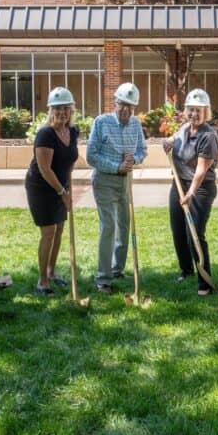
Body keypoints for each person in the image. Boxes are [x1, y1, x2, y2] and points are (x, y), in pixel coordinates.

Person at [86, 82, 148, 295]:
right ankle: (103, 279)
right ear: (115, 103)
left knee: (124, 225)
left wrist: (135, 159)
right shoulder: (101, 122)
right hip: (104, 180)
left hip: (125, 181)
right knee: (109, 226)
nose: (125, 110)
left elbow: (142, 150)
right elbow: (91, 156)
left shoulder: (135, 125)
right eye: (122, 105)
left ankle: (117, 269)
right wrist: (116, 167)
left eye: (130, 107)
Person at [164, 88, 218, 296]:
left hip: (201, 188)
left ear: (206, 112)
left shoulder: (208, 136)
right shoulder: (185, 129)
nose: (194, 114)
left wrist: (191, 194)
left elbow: (201, 170)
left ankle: (204, 281)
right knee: (178, 229)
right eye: (191, 110)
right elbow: (172, 141)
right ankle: (186, 269)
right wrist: (167, 143)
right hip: (179, 183)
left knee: (194, 232)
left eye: (199, 110)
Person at [25, 87, 79, 295]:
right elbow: (45, 169)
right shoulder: (45, 134)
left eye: (66, 108)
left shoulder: (73, 131)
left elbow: (70, 159)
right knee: (48, 232)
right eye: (57, 108)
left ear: (72, 110)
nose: (62, 112)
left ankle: (52, 272)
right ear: (50, 110)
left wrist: (68, 186)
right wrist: (62, 193)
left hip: (60, 186)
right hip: (41, 188)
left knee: (60, 230)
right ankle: (42, 281)